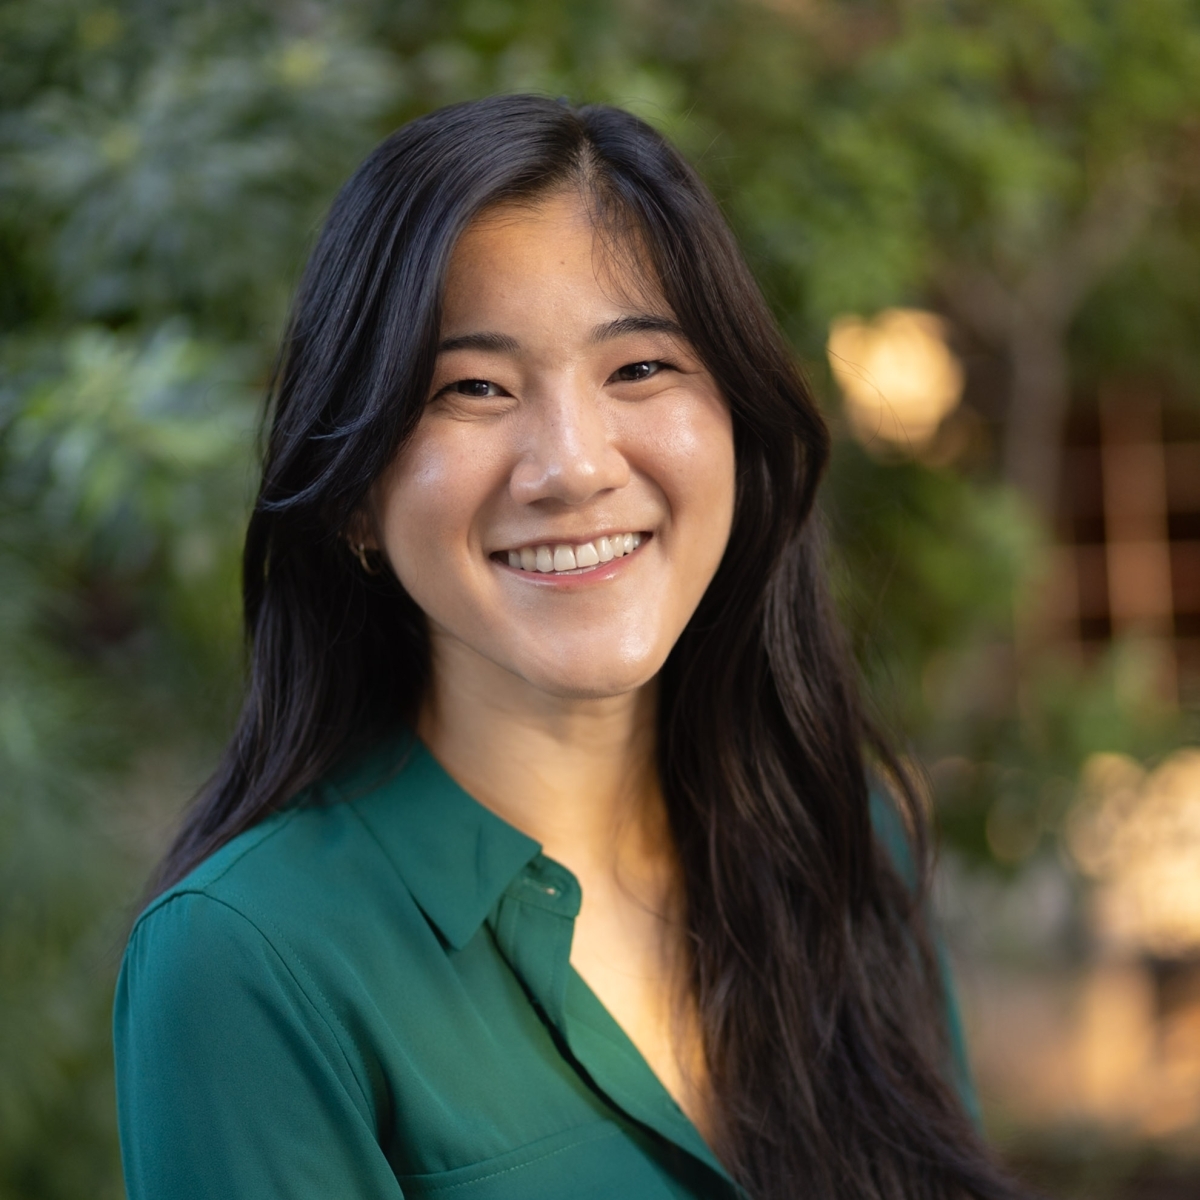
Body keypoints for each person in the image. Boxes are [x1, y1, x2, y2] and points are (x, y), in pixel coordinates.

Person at [113, 95, 1026, 1200]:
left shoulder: (835, 836)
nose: (574, 466)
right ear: (353, 494)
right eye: (474, 389)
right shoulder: (249, 962)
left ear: (735, 421)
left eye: (639, 369)